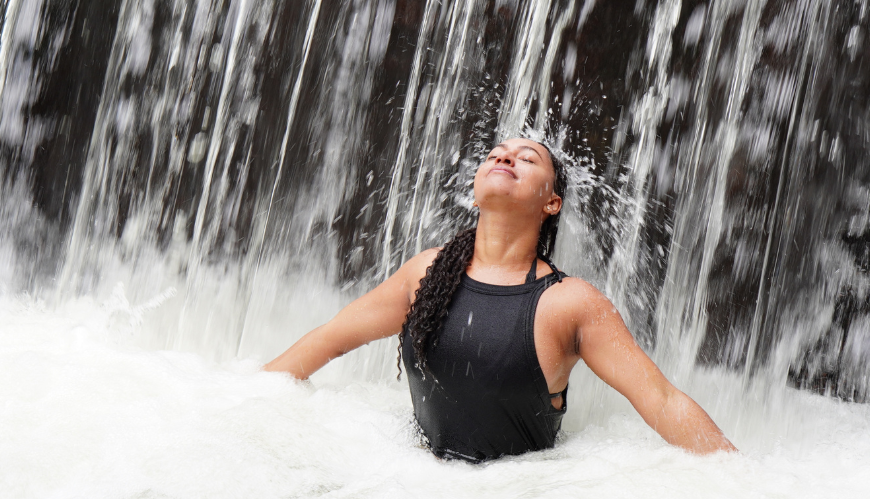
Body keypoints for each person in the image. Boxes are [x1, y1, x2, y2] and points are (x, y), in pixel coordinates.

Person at [265, 138, 736, 461]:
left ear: (551, 202)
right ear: (474, 191)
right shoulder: (426, 273)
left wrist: (744, 482)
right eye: (496, 154)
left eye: (527, 159)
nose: (505, 159)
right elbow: (330, 341)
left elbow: (662, 400)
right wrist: (243, 400)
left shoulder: (568, 303)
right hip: (408, 489)